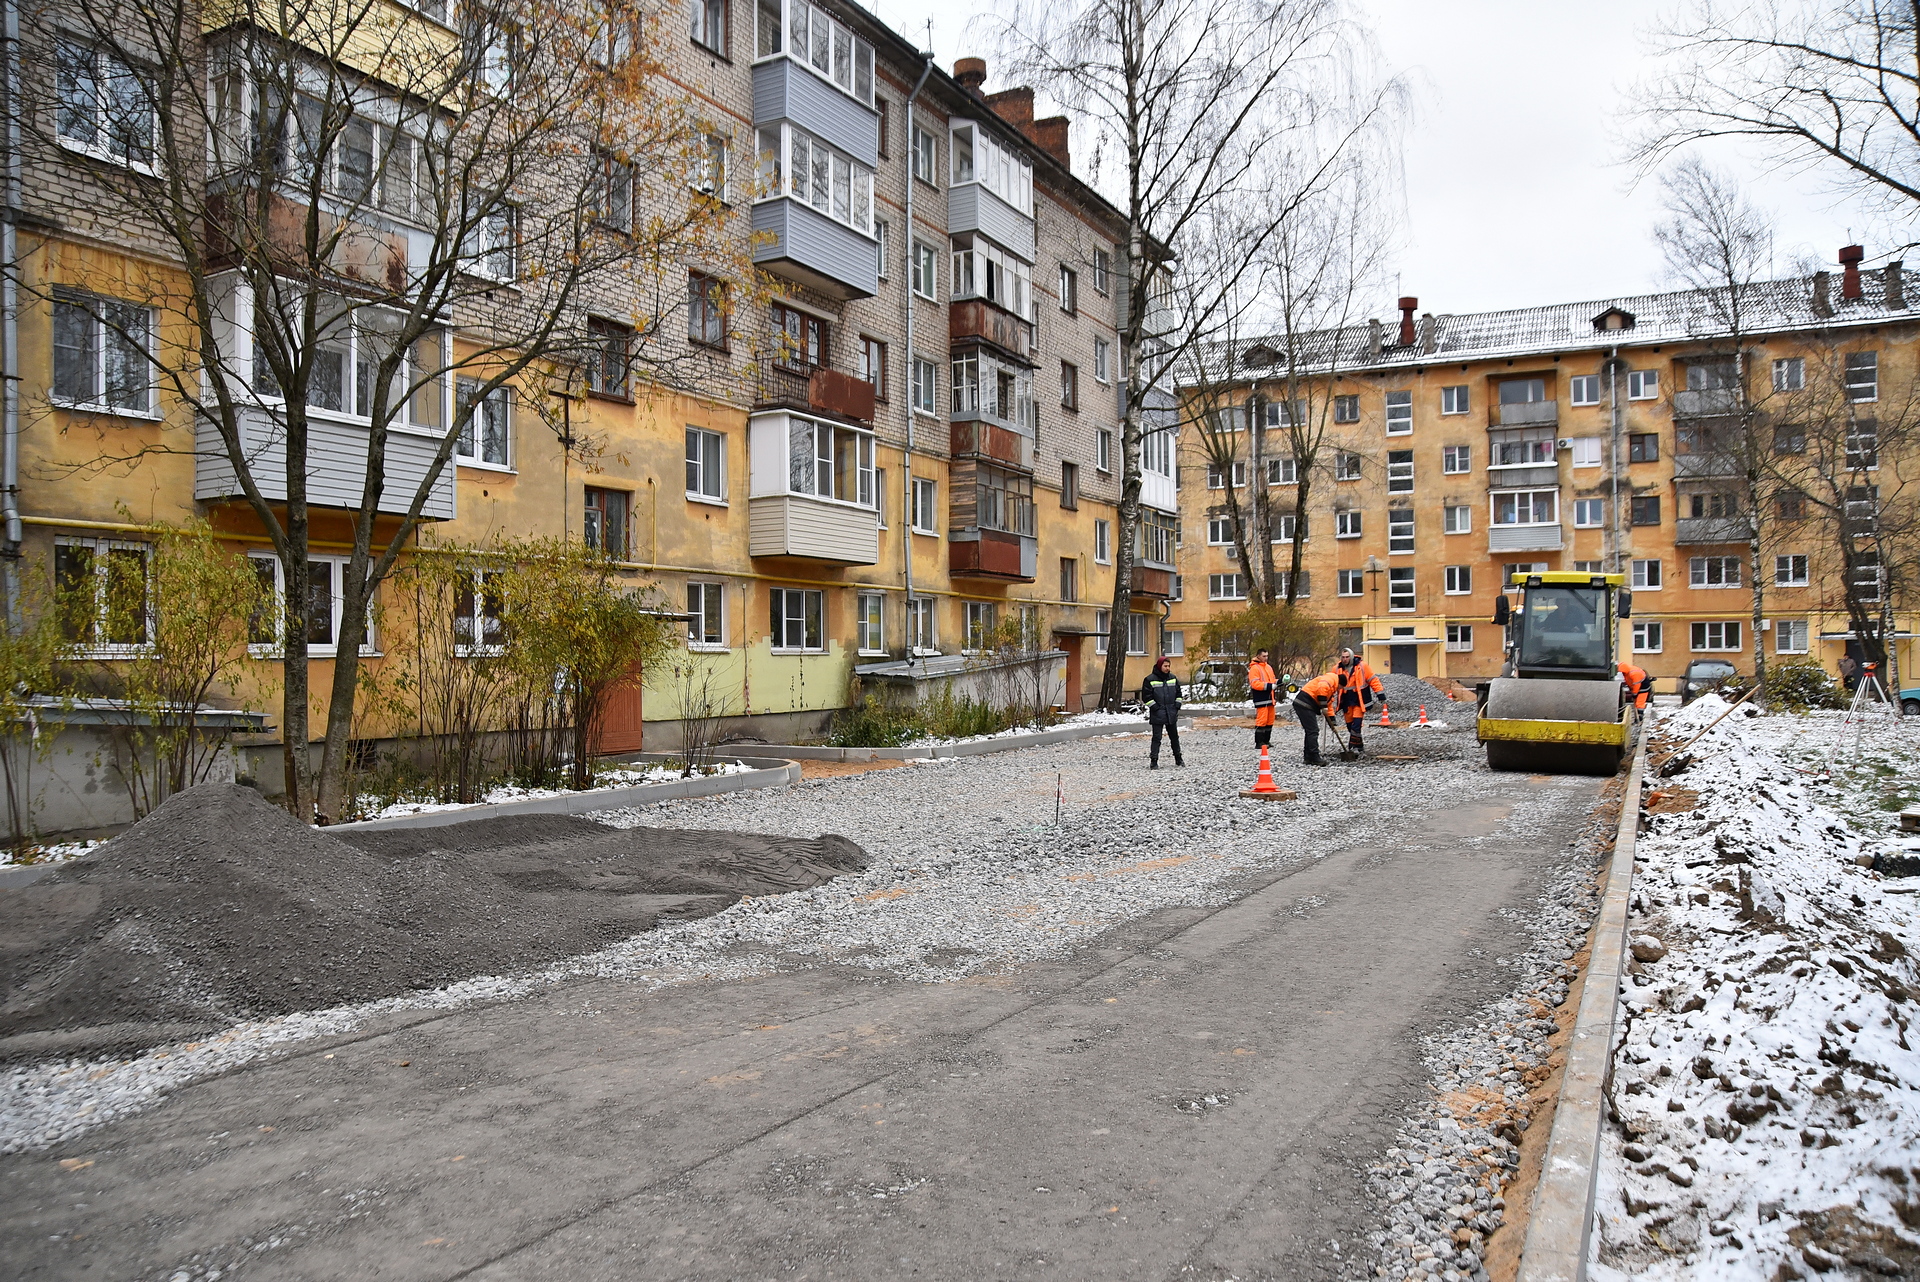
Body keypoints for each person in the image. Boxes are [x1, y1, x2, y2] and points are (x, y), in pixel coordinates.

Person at [1335, 647, 1385, 754]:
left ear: (1351, 657)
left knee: (1356, 725)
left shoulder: (1362, 666)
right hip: (1345, 701)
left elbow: (1373, 680)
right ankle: (1360, 746)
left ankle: (1352, 747)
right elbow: (1331, 683)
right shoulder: (1337, 668)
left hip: (1359, 699)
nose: (1345, 659)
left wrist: (1380, 693)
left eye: (1347, 657)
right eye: (1343, 657)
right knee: (1350, 726)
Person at [1140, 656, 1185, 769]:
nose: (1167, 668)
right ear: (1160, 666)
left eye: (1169, 666)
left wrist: (1177, 706)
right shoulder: (1149, 679)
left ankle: (1178, 759)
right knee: (1157, 738)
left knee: (1174, 737)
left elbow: (1179, 694)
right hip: (1158, 713)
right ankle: (1154, 761)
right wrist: (1155, 708)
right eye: (1165, 666)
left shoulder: (1173, 678)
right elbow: (1146, 697)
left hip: (1171, 712)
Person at [1291, 669, 1342, 766]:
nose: (1340, 689)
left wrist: (1332, 722)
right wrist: (1323, 706)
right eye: (1341, 687)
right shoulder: (1331, 680)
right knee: (1313, 730)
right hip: (1304, 703)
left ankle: (1308, 757)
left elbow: (1329, 705)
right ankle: (1314, 757)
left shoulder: (1331, 688)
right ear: (1340, 684)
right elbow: (1322, 689)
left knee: (1310, 730)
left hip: (1303, 704)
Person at [1247, 649, 1279, 749]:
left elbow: (1272, 680)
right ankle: (1259, 742)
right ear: (1258, 656)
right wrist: (1270, 686)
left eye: (1267, 656)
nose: (1266, 658)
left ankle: (1266, 741)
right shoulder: (1254, 668)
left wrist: (1280, 681)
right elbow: (1255, 684)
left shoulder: (1268, 667)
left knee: (1270, 720)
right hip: (1261, 699)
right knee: (1262, 720)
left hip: (1270, 698)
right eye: (1264, 656)